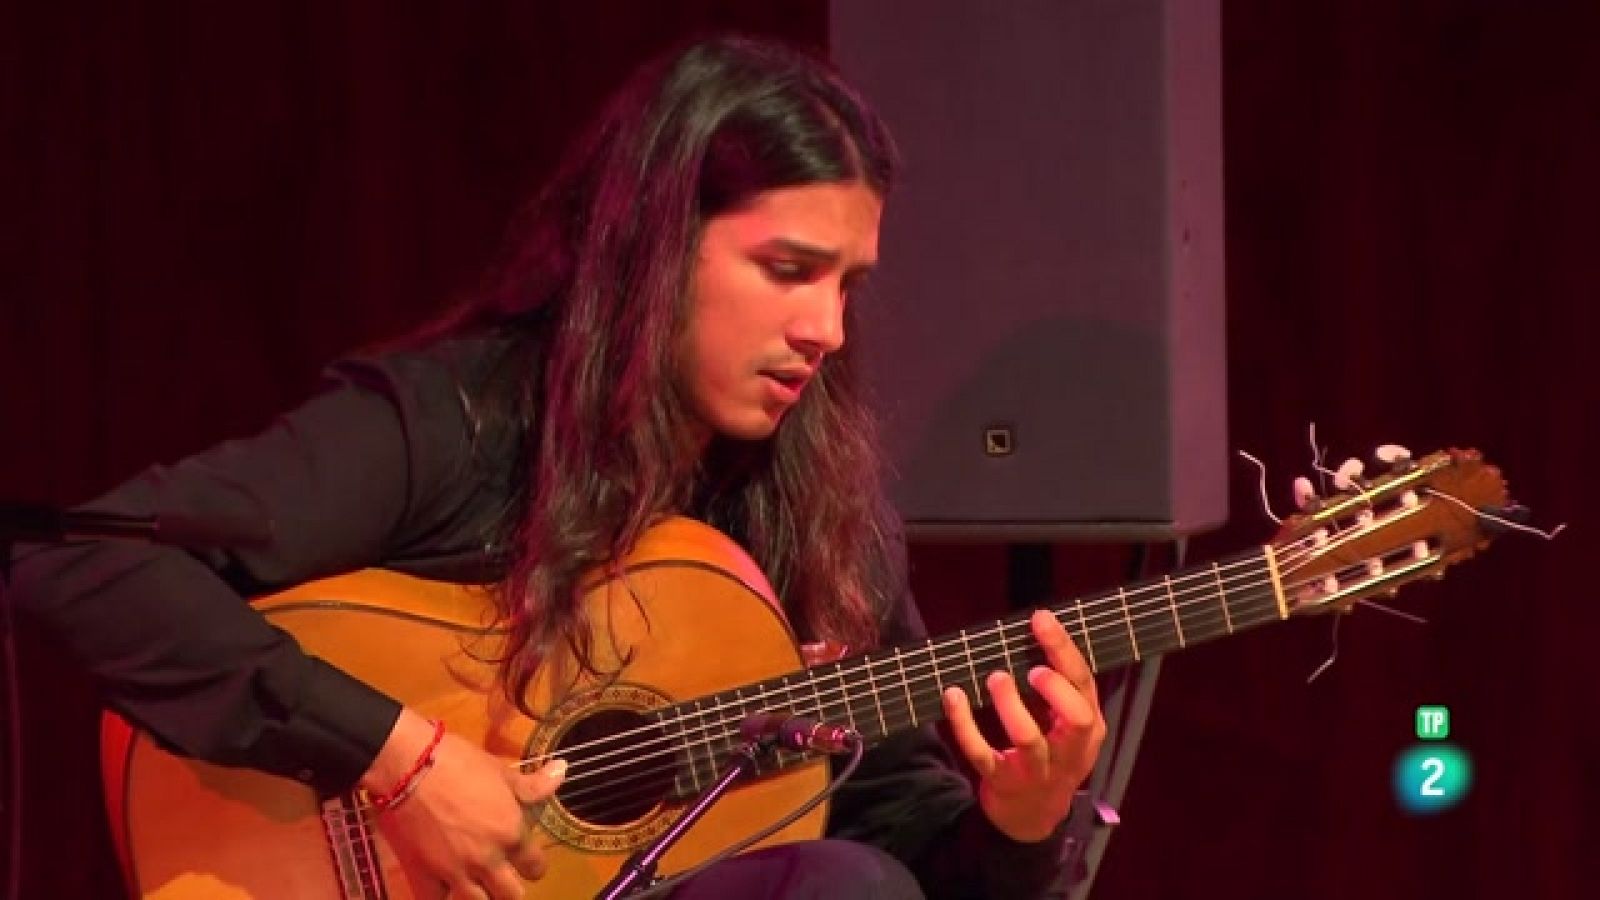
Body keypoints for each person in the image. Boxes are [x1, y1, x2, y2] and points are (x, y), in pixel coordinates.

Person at [9, 36, 1105, 899]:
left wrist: (1020, 825)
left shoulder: (822, 513)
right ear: (656, 247)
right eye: (786, 269)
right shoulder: (461, 421)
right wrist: (397, 759)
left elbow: (893, 831)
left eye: (848, 285)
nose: (825, 328)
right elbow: (79, 562)